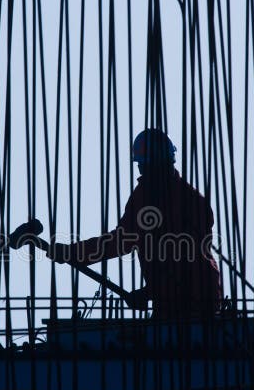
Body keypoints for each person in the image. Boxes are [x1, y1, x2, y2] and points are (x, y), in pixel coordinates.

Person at [47, 128, 222, 318]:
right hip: (199, 300)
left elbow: (122, 242)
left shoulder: (148, 198)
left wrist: (73, 253)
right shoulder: (192, 198)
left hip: (185, 304)